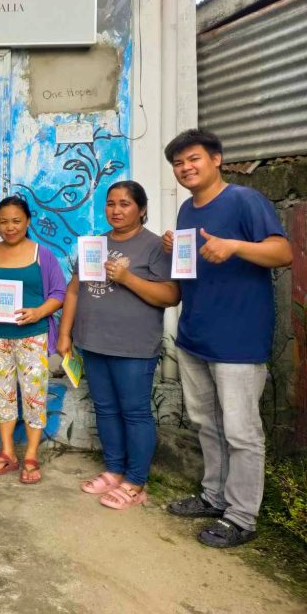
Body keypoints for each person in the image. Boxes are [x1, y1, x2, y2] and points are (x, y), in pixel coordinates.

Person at [160, 129, 291, 548]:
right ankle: (214, 496)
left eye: (193, 159)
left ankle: (241, 516)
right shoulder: (186, 211)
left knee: (241, 431)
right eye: (179, 164)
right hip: (195, 333)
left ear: (216, 159)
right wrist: (174, 249)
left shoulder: (244, 200)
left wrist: (235, 245)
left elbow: (282, 253)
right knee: (206, 424)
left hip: (238, 337)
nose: (186, 169)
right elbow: (193, 264)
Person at [57, 181, 179, 509]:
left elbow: (171, 295)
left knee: (135, 412)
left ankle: (135, 481)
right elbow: (73, 290)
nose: (116, 210)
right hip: (93, 341)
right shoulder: (94, 244)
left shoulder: (155, 247)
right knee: (106, 409)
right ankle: (113, 471)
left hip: (133, 346)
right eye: (111, 203)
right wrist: (65, 334)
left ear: (141, 209)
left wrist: (128, 279)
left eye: (125, 204)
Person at [0, 195, 66, 484]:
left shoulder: (41, 255)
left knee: (34, 395)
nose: (9, 227)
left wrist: (38, 313)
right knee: (2, 394)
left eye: (16, 221)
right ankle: (8, 452)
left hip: (32, 337)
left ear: (27, 222)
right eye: (3, 222)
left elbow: (58, 294)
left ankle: (32, 455)